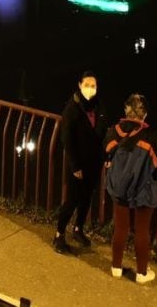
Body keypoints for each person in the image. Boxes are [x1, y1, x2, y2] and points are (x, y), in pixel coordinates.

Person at [103, 93, 157, 283]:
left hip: (119, 187)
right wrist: (156, 176)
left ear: (126, 111)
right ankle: (142, 273)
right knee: (142, 230)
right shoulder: (152, 138)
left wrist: (113, 166)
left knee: (121, 227)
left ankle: (116, 267)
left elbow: (108, 151)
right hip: (143, 189)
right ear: (144, 115)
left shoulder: (114, 131)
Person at [52, 70, 105, 253]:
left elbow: (102, 133)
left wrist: (106, 157)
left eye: (94, 86)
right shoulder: (72, 109)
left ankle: (78, 229)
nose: (91, 89)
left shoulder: (96, 105)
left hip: (93, 162)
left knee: (86, 198)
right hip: (78, 164)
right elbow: (66, 139)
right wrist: (75, 166)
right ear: (80, 85)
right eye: (87, 85)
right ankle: (59, 235)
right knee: (72, 200)